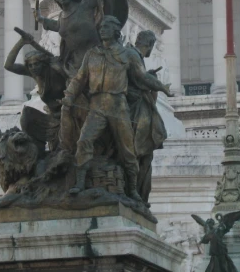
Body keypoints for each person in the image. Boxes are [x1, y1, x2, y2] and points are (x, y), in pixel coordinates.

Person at [62, 16, 172, 202]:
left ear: (116, 32)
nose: (102, 30)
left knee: (128, 149)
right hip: (97, 105)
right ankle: (80, 183)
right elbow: (80, 79)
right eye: (102, 27)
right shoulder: (92, 54)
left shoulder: (127, 55)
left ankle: (132, 189)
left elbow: (143, 77)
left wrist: (162, 88)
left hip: (118, 105)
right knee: (84, 141)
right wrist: (69, 96)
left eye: (107, 27)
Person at [126, 30, 168, 204]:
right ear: (150, 45)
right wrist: (162, 87)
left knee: (145, 156)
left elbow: (141, 77)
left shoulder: (136, 56)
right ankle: (134, 191)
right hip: (132, 106)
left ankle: (140, 194)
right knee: (139, 151)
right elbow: (140, 77)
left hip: (138, 104)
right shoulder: (132, 54)